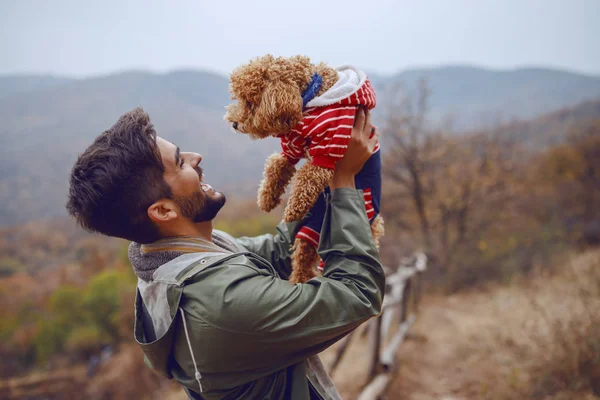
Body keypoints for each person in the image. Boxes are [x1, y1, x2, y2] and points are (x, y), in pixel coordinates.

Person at [66, 106, 385, 399]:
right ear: (162, 211)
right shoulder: (221, 303)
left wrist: (323, 163)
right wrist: (345, 184)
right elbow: (357, 293)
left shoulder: (179, 258)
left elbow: (279, 253)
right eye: (180, 162)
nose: (196, 157)